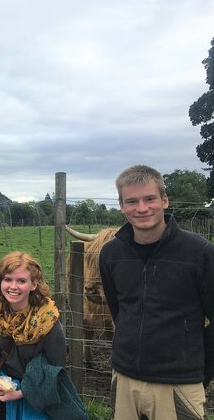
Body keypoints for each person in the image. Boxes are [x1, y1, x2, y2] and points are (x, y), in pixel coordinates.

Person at [99, 165, 214, 420]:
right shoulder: (110, 254)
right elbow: (119, 311)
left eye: (149, 198)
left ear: (164, 200)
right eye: (132, 201)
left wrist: (197, 373)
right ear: (121, 205)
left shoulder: (200, 253)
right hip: (125, 378)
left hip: (178, 384)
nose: (141, 208)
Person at [0, 252, 67, 420]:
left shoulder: (47, 320)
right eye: (7, 279)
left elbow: (56, 369)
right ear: (0, 281)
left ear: (34, 284)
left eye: (21, 281)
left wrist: (20, 393)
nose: (13, 287)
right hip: (2, 391)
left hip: (37, 396)